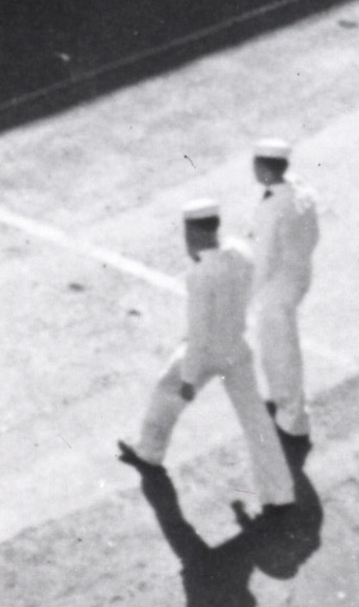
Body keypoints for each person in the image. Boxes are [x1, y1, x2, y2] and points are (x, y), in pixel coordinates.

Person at [119, 198, 297, 517]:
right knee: (256, 421)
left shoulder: (200, 275)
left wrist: (189, 379)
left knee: (166, 389)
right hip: (236, 348)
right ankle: (279, 493)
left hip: (206, 354)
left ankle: (149, 452)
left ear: (193, 233)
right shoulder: (240, 253)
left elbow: (198, 333)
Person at [248, 137, 318, 443]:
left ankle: (292, 418)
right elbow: (313, 234)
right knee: (280, 347)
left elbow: (263, 261)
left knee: (279, 351)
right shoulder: (301, 190)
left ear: (264, 169)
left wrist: (246, 297)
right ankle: (287, 403)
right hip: (299, 273)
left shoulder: (272, 208)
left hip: (277, 287)